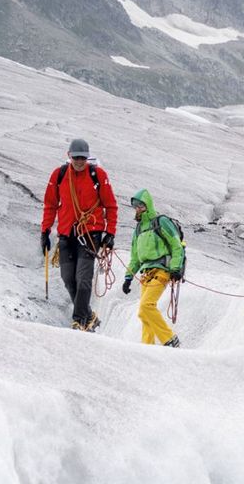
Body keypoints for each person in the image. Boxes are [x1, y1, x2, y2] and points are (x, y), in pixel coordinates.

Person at [40, 138, 118, 331]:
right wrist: (45, 231)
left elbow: (111, 206)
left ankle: (79, 321)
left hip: (91, 234)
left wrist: (110, 233)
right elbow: (50, 204)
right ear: (69, 156)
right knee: (68, 278)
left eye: (82, 157)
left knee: (83, 278)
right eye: (76, 157)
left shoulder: (97, 175)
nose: (79, 161)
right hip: (67, 234)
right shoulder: (59, 175)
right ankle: (89, 315)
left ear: (88, 157)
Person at [121, 189, 185, 347]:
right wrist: (128, 277)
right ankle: (147, 347)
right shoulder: (138, 230)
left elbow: (176, 245)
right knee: (144, 314)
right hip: (146, 273)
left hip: (162, 270)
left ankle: (169, 339)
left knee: (146, 306)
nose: (138, 209)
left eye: (141, 205)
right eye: (135, 206)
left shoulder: (161, 222)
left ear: (148, 205)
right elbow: (135, 258)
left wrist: (176, 268)